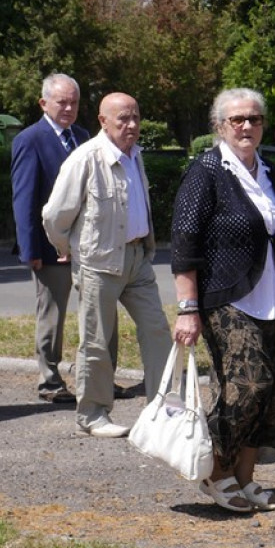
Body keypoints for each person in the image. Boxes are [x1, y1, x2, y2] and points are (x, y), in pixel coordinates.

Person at [171, 88, 275, 512]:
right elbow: (185, 243)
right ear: (220, 126)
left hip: (266, 294)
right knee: (247, 385)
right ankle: (215, 474)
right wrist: (187, 308)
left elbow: (265, 235)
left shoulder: (267, 168)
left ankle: (246, 480)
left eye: (254, 119)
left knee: (266, 392)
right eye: (237, 120)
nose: (247, 126)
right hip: (222, 297)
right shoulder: (206, 171)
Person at [42, 92, 172, 438]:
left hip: (137, 259)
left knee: (158, 331)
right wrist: (66, 247)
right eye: (123, 119)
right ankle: (93, 414)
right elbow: (54, 215)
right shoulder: (84, 158)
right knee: (97, 341)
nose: (132, 126)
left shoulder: (135, 155)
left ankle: (161, 408)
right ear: (103, 121)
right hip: (97, 262)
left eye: (136, 118)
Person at [11, 73, 130, 404]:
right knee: (53, 315)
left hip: (90, 246)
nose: (68, 108)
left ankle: (99, 379)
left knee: (100, 313)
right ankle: (50, 380)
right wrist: (30, 249)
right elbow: (25, 199)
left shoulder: (83, 137)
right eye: (61, 101)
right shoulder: (29, 139)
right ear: (43, 103)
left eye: (74, 102)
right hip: (49, 248)